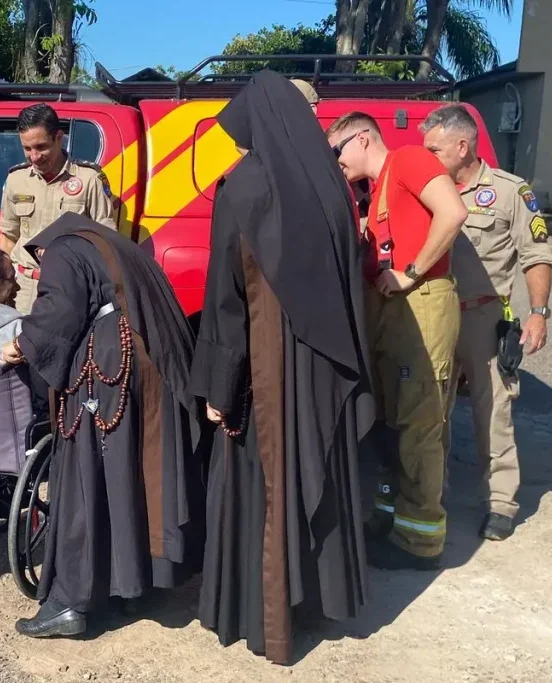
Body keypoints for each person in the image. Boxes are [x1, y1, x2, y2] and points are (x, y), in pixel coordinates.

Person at [191, 71, 374, 665]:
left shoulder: (243, 185)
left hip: (266, 362)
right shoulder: (328, 183)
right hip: (323, 365)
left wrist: (220, 386)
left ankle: (268, 616)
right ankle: (319, 599)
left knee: (264, 483)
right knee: (317, 467)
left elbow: (226, 297)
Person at [0, 212, 207, 639]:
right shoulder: (114, 245)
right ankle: (133, 582)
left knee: (84, 479)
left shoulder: (61, 250)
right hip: (150, 364)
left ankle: (70, 601)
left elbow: (59, 310)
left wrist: (21, 344)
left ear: (41, 248)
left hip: (111, 364)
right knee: (132, 472)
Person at [326, 112, 468, 570]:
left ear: (362, 138)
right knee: (389, 421)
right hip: (391, 312)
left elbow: (454, 212)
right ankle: (389, 518)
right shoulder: (378, 188)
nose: (335, 162)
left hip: (420, 304)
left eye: (337, 151)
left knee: (418, 424)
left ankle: (420, 541)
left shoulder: (408, 160)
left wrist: (411, 271)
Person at [420, 104, 552, 541]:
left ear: (463, 146)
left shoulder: (509, 192)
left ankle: (500, 502)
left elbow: (536, 255)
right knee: (431, 412)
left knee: (492, 410)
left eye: (435, 147)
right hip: (435, 313)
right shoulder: (426, 187)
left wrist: (538, 313)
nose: (427, 155)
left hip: (483, 316)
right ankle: (429, 496)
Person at [0, 103, 118, 314]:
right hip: (25, 291)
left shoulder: (89, 179)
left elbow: (106, 242)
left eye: (41, 147)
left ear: (59, 138)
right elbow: (7, 237)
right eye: (27, 149)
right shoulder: (16, 180)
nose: (34, 157)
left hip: (71, 288)